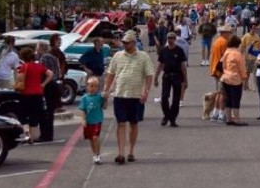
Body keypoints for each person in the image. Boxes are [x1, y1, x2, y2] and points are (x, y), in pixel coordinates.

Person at [103, 30, 154, 165]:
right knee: (121, 123)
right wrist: (106, 90)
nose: (124, 45)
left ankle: (131, 151)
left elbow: (149, 75)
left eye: (127, 43)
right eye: (123, 42)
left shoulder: (143, 56)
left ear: (133, 43)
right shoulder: (117, 56)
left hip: (136, 95)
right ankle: (121, 153)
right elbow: (110, 74)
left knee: (134, 123)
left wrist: (146, 91)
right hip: (120, 94)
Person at [17, 47, 53, 143]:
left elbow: (19, 79)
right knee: (34, 115)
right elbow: (50, 74)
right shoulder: (39, 66)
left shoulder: (23, 67)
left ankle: (28, 135)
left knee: (22, 115)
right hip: (38, 94)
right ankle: (32, 137)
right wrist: (43, 84)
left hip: (25, 94)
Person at [153, 32, 188, 127]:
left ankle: (172, 118)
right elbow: (160, 65)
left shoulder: (179, 50)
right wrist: (155, 77)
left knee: (176, 100)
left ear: (175, 39)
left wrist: (185, 80)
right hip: (167, 76)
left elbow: (183, 66)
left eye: (172, 38)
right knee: (164, 98)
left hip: (177, 76)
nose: (170, 40)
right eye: (169, 38)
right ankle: (167, 115)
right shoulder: (164, 50)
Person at [220, 35, 248, 126]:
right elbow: (242, 68)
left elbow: (221, 64)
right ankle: (237, 120)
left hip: (225, 77)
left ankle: (229, 119)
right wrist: (244, 78)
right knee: (236, 100)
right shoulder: (237, 54)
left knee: (228, 99)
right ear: (237, 44)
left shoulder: (227, 52)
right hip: (235, 78)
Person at [208, 25, 233, 123]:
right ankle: (221, 114)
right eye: (229, 32)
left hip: (215, 69)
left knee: (219, 92)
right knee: (223, 93)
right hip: (221, 70)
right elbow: (225, 57)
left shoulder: (217, 41)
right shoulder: (224, 42)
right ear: (223, 33)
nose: (230, 34)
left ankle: (215, 113)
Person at [78, 76, 105, 164]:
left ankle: (98, 154)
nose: (93, 88)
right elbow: (82, 109)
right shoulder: (84, 98)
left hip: (97, 120)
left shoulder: (99, 97)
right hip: (89, 121)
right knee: (91, 139)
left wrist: (106, 99)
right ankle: (94, 154)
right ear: (87, 87)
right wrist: (82, 119)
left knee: (95, 137)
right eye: (91, 86)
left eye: (95, 86)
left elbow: (104, 106)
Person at [240, 22, 260, 91]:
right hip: (247, 58)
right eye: (253, 28)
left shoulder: (257, 36)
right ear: (250, 28)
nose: (255, 29)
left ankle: (256, 87)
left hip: (255, 58)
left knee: (255, 72)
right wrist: (240, 56)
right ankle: (245, 86)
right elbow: (242, 47)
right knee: (247, 73)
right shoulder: (246, 36)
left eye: (255, 28)